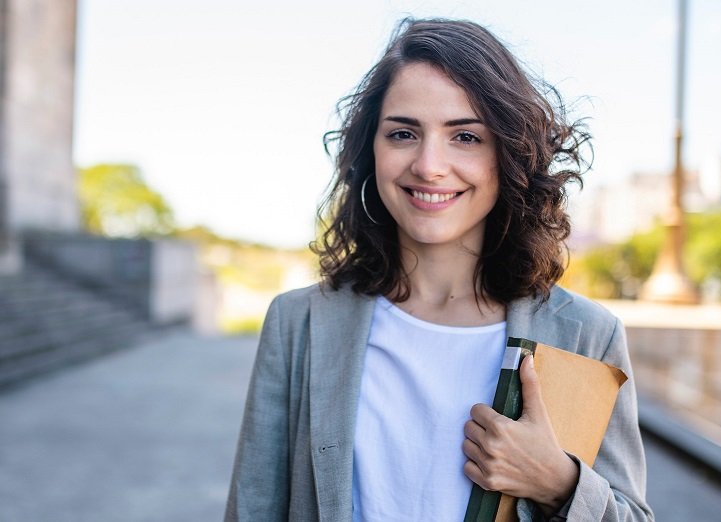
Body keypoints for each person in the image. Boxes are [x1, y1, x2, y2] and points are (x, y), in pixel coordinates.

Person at [225, 18, 653, 522]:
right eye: (403, 133)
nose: (429, 165)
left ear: (508, 153)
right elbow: (253, 508)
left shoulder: (588, 334)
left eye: (465, 136)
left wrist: (558, 483)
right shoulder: (297, 323)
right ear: (370, 150)